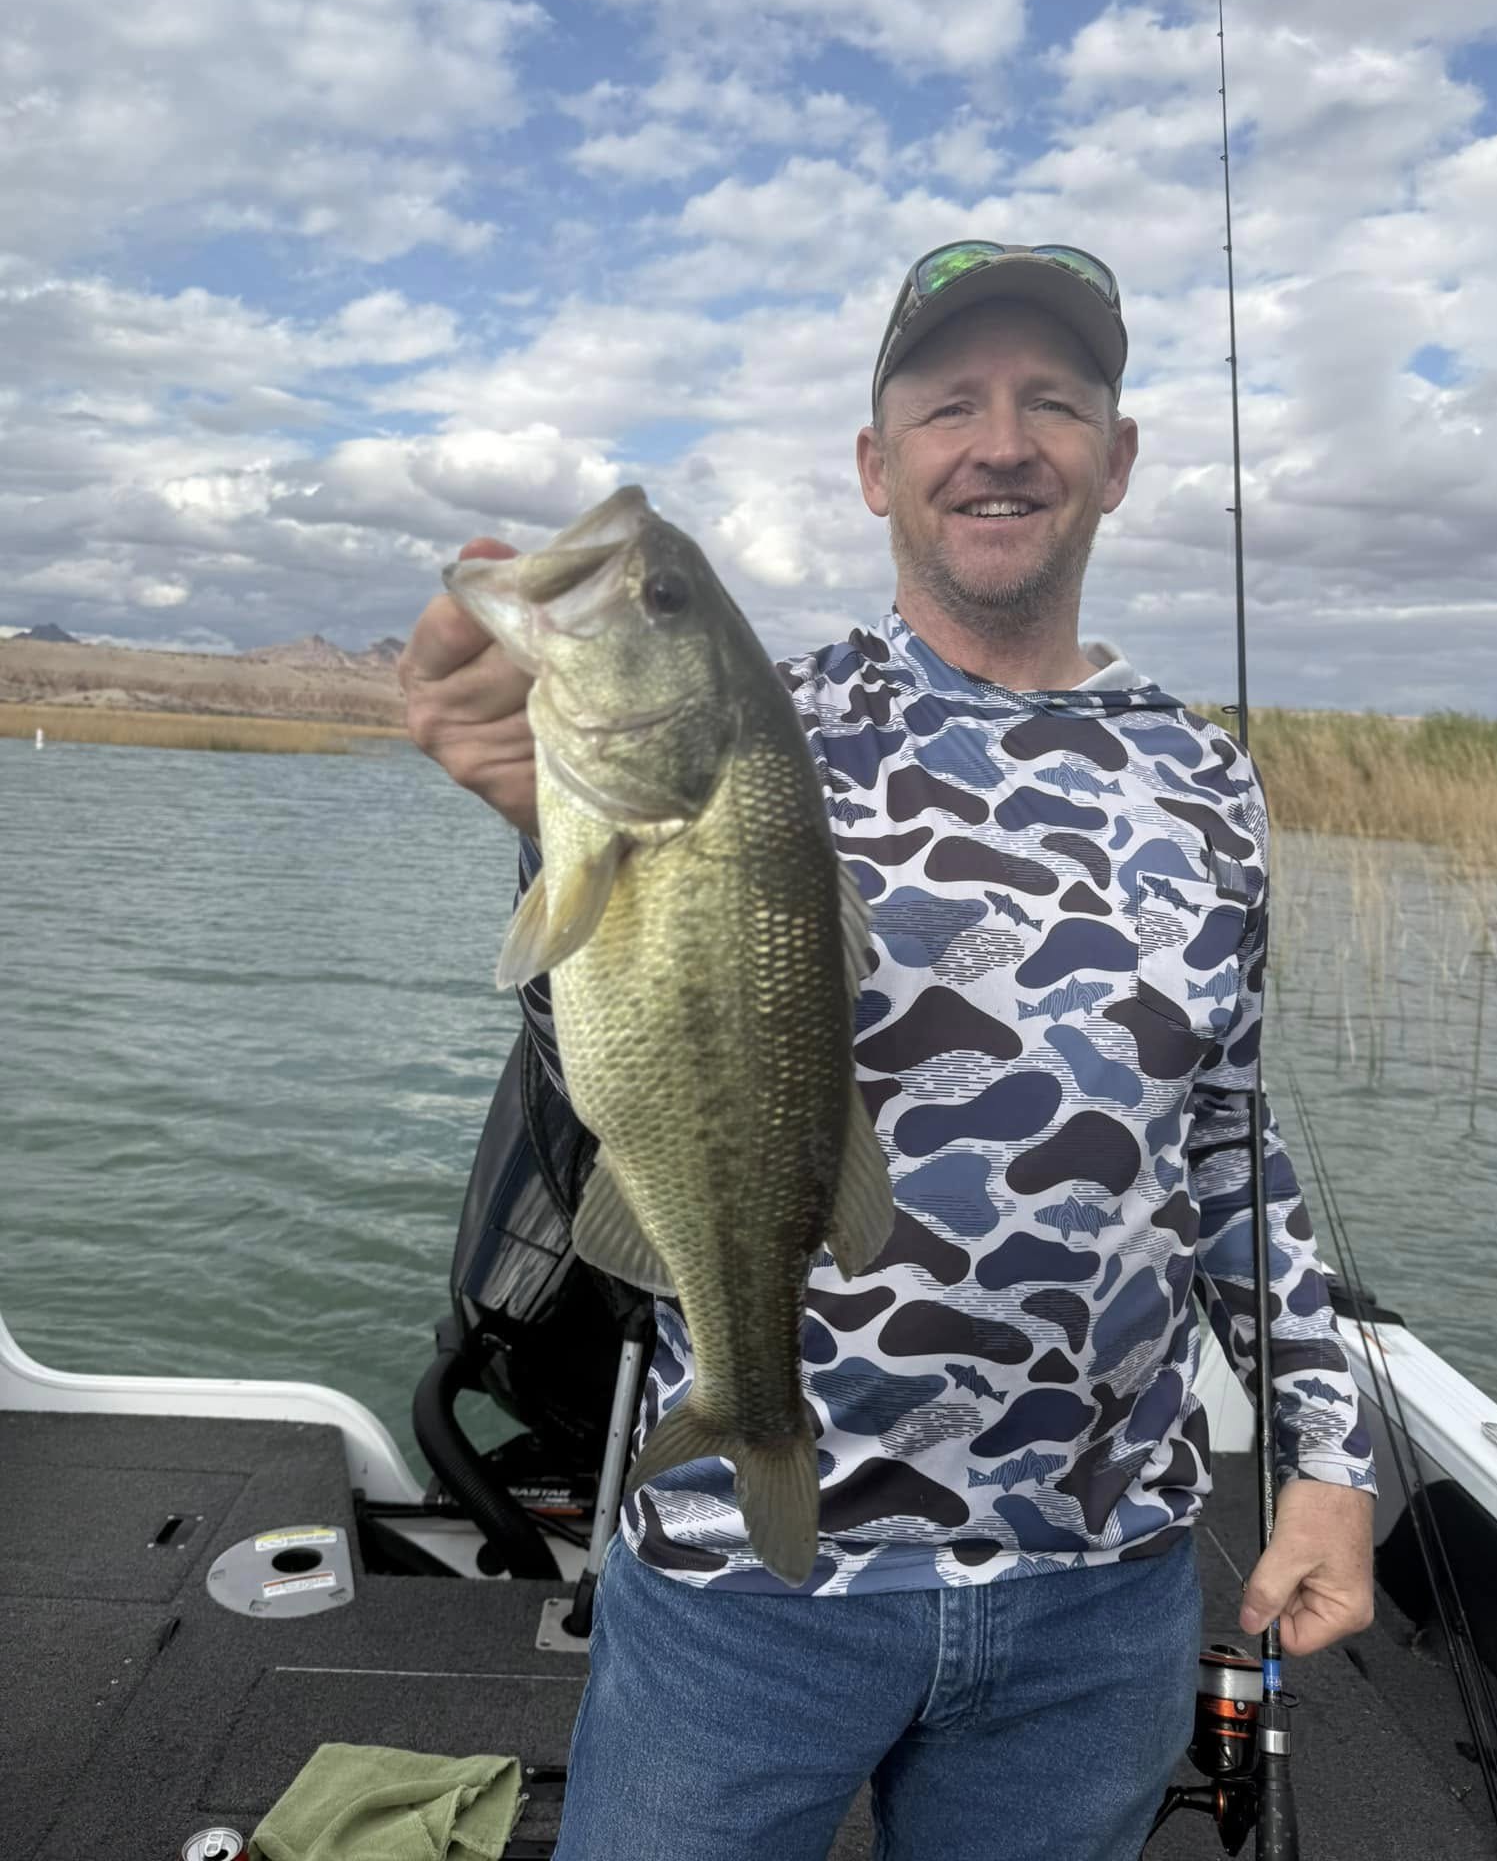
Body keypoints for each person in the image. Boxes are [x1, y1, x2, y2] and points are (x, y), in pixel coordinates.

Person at [400, 240, 1376, 1861]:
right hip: (751, 1584)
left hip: (1105, 1581)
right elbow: (614, 1076)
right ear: (876, 465)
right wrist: (545, 825)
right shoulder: (756, 724)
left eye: (1052, 401)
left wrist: (1331, 1455)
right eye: (947, 406)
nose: (1001, 441)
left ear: (1116, 461)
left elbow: (1224, 1147)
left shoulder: (1211, 788)